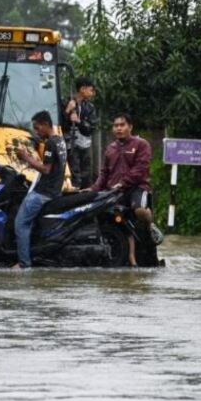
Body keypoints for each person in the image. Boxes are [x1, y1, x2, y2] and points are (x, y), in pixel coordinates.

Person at [88, 113, 163, 267]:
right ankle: (131, 260)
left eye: (122, 125)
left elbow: (141, 169)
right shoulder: (110, 148)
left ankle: (151, 225)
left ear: (130, 127)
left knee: (139, 210)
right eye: (116, 125)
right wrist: (93, 189)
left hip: (137, 188)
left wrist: (123, 183)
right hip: (115, 191)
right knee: (118, 220)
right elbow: (104, 173)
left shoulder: (141, 144)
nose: (119, 128)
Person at [12, 110, 67, 269]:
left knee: (20, 224)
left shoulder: (50, 143)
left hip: (43, 193)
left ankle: (24, 264)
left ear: (45, 124)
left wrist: (26, 157)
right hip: (55, 191)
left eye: (37, 127)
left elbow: (46, 169)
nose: (36, 131)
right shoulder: (60, 141)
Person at [61, 77, 96, 189]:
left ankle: (86, 192)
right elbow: (59, 125)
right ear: (82, 89)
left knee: (86, 172)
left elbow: (91, 127)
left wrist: (79, 122)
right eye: (91, 90)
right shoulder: (65, 103)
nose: (92, 93)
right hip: (69, 145)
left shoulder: (89, 107)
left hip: (85, 145)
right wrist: (67, 111)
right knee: (73, 172)